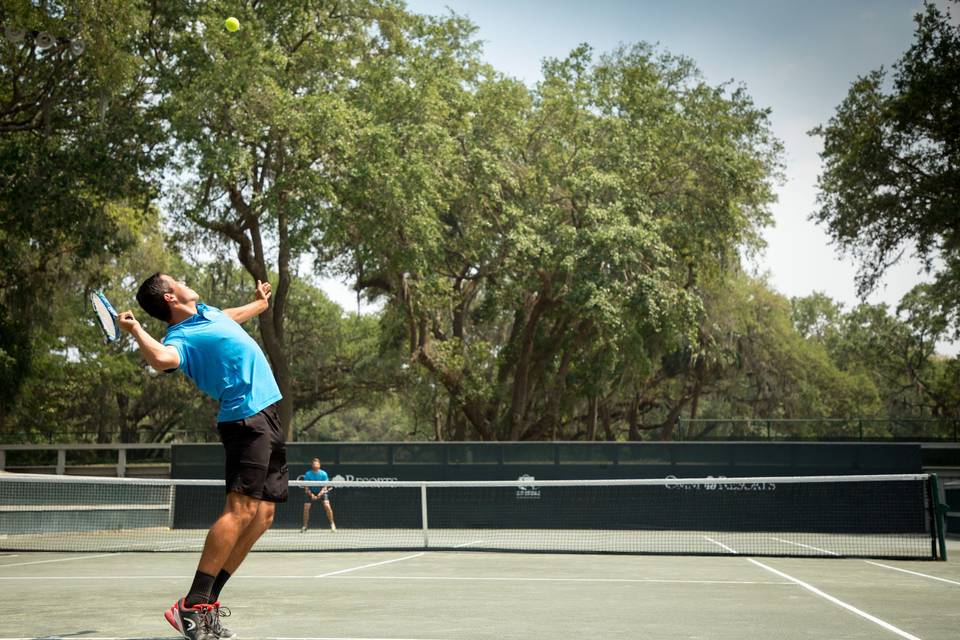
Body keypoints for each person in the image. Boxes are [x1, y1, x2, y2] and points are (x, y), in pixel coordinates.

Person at [120, 274, 284, 640]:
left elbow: (231, 316)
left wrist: (260, 304)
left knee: (263, 515)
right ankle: (192, 606)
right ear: (168, 296)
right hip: (245, 418)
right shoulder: (180, 338)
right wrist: (135, 330)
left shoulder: (208, 313)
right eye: (174, 280)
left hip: (268, 414)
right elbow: (163, 360)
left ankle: (205, 605)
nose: (182, 279)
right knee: (241, 511)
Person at [302, 458, 336, 532]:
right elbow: (306, 487)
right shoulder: (308, 474)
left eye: (317, 464)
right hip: (311, 492)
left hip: (322, 492)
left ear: (319, 465)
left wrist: (320, 493)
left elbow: (325, 486)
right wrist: (312, 495)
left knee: (327, 505)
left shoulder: (323, 474)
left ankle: (332, 524)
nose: (315, 465)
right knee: (306, 507)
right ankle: (305, 526)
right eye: (314, 464)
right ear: (312, 465)